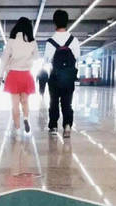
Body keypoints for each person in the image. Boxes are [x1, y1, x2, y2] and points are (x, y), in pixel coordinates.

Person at [0, 17, 38, 136]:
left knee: (15, 104)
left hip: (13, 74)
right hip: (26, 74)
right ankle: (26, 117)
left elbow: (4, 60)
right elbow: (37, 57)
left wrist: (0, 75)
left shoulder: (11, 41)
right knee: (25, 101)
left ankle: (18, 129)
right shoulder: (32, 42)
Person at [44, 9, 80, 138]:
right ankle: (67, 126)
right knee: (67, 103)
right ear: (67, 23)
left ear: (54, 23)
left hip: (54, 76)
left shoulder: (50, 42)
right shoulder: (74, 40)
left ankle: (53, 126)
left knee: (53, 102)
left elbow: (47, 59)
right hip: (69, 77)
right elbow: (77, 57)